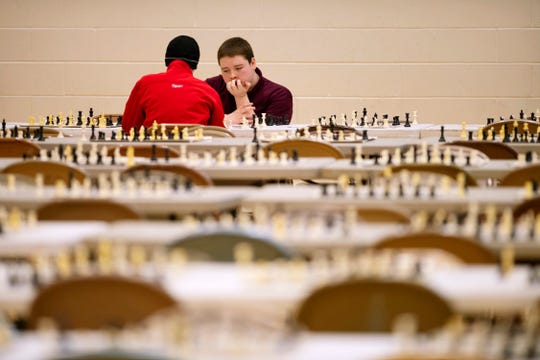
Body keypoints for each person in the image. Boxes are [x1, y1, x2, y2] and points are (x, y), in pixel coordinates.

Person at [122, 35, 225, 132]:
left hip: (153, 150)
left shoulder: (145, 84)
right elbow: (218, 133)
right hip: (193, 150)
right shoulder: (208, 91)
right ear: (194, 65)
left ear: (167, 60)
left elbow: (128, 127)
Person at [206, 37, 293, 125]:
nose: (232, 75)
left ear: (253, 63)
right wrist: (226, 120)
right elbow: (195, 124)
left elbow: (270, 135)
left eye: (238, 68)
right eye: (225, 70)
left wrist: (241, 97)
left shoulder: (279, 95)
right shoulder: (210, 86)